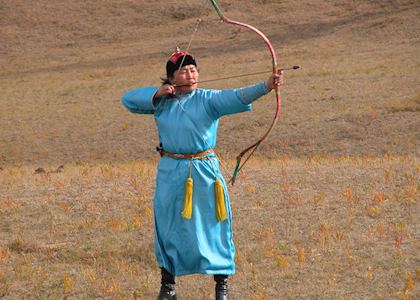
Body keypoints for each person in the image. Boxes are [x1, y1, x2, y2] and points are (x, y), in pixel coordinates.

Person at [121, 49, 283, 300]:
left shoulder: (208, 99)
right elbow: (128, 99)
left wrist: (266, 85)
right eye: (184, 71)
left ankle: (222, 285)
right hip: (171, 170)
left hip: (204, 169)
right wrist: (157, 93)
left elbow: (237, 95)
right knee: (168, 224)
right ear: (171, 78)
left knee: (214, 223)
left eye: (194, 70)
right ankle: (168, 285)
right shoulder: (161, 102)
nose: (190, 74)